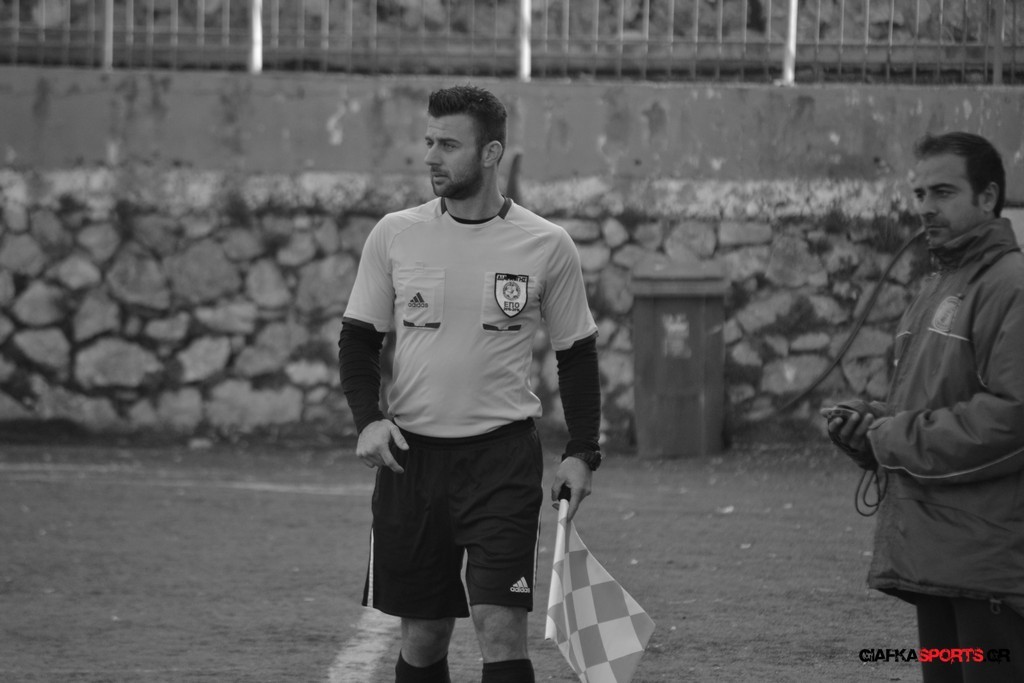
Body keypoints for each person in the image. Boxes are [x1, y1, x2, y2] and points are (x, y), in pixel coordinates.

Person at [338, 84, 602, 683]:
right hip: (411, 462)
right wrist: (368, 420)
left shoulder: (547, 244)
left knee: (500, 629)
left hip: (500, 461)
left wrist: (583, 450)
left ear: (491, 153)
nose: (431, 156)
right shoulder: (395, 234)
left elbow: (577, 354)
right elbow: (358, 339)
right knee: (424, 637)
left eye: (448, 145)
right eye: (429, 141)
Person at [826, 131, 1024, 682]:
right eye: (919, 194)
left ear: (988, 197)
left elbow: (1012, 418)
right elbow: (929, 404)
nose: (926, 208)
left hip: (989, 567)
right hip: (936, 561)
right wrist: (868, 426)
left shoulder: (1010, 286)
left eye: (943, 192)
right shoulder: (939, 286)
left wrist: (890, 436)